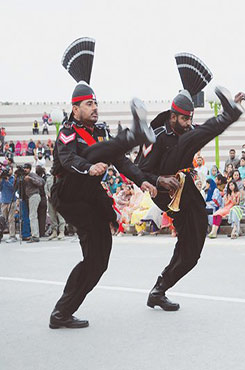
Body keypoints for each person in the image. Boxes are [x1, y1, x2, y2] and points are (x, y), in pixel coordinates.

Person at [49, 37, 157, 329]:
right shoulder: (68, 130)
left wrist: (142, 180)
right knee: (95, 152)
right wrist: (88, 166)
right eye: (88, 103)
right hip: (68, 191)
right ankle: (135, 133)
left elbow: (120, 161)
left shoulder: (99, 129)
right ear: (75, 109)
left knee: (98, 262)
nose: (95, 107)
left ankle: (62, 312)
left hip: (90, 197)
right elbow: (68, 158)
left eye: (96, 102)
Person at [134, 52, 245, 310]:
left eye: (190, 118)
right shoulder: (157, 137)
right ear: (173, 116)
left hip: (186, 190)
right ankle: (230, 113)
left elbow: (204, 130)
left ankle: (159, 290)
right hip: (164, 191)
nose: (188, 123)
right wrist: (160, 179)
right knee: (191, 139)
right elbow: (140, 172)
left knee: (191, 251)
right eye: (184, 118)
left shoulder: (187, 130)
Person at [22, 163, 45, 243]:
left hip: (34, 195)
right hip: (30, 197)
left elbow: (41, 182)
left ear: (30, 169)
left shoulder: (32, 175)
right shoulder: (24, 176)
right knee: (32, 216)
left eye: (27, 168)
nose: (25, 169)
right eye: (24, 168)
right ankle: (34, 234)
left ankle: (35, 236)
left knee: (32, 216)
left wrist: (30, 179)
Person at [45, 167, 66, 240]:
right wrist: (48, 193)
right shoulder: (49, 179)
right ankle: (54, 232)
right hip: (51, 201)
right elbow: (46, 188)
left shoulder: (60, 178)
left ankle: (61, 231)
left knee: (60, 216)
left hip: (59, 200)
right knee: (52, 216)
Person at [0, 165, 18, 243]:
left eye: (9, 170)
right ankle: (1, 234)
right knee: (2, 220)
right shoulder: (2, 179)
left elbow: (14, 189)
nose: (7, 172)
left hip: (11, 201)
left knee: (11, 219)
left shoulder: (13, 179)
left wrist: (7, 181)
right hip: (4, 201)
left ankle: (12, 235)